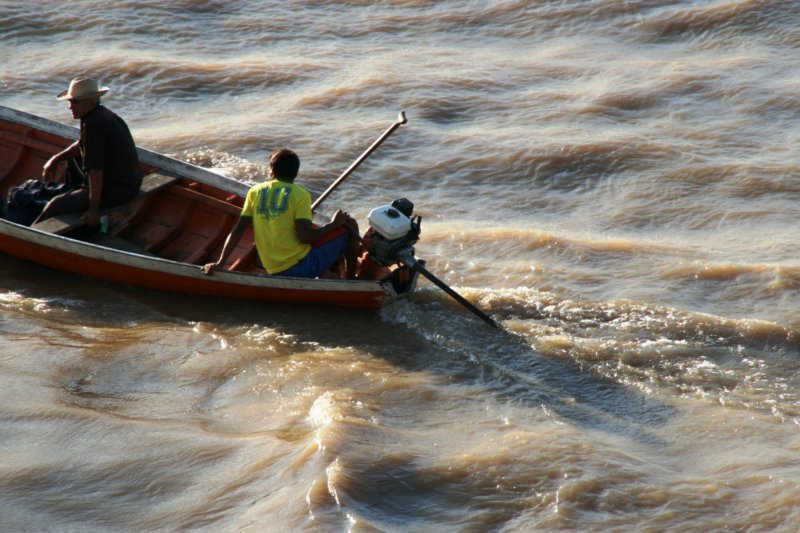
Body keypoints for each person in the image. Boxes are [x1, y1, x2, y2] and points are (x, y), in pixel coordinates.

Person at [202, 148, 360, 279]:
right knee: (350, 224)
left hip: (271, 267)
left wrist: (220, 262)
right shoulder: (301, 195)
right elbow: (305, 238)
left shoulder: (254, 192)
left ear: (272, 171)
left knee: (311, 228)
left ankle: (327, 273)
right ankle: (351, 280)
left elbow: (238, 230)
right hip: (299, 268)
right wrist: (334, 224)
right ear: (296, 173)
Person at [33, 77, 142, 226]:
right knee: (71, 159)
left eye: (75, 102)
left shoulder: (94, 123)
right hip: (129, 183)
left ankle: (32, 234)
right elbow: (82, 145)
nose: (70, 106)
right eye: (69, 102)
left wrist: (93, 212)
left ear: (90, 102)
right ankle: (75, 198)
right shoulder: (99, 114)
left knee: (55, 205)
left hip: (118, 191)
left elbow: (95, 171)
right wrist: (56, 159)